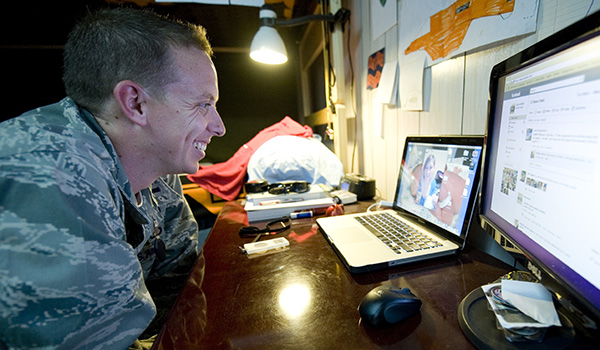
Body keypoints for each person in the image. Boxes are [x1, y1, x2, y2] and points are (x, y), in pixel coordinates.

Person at [0, 7, 225, 349]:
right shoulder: (54, 172)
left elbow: (181, 286)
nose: (218, 126)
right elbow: (94, 341)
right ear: (134, 102)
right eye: (202, 105)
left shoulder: (154, 166)